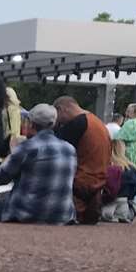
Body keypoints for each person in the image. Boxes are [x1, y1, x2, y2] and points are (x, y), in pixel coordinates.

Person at [0, 102, 76, 224]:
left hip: (26, 212)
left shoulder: (27, 147)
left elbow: (0, 178)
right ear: (53, 124)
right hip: (62, 214)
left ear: (31, 123)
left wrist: (12, 153)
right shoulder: (70, 149)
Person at [53, 96, 110, 225]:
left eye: (58, 116)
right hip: (98, 181)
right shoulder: (97, 122)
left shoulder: (77, 123)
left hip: (80, 182)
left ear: (61, 109)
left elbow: (58, 152)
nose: (59, 121)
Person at [102, 139, 136, 222]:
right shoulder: (130, 168)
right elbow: (134, 190)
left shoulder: (105, 165)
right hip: (123, 204)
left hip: (107, 203)